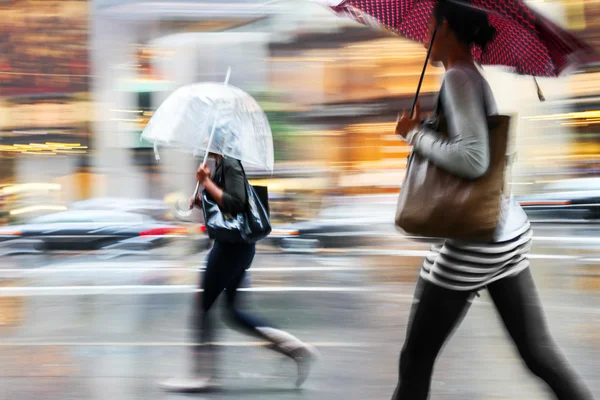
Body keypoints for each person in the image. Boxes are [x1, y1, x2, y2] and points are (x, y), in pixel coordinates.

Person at [392, 2, 594, 400]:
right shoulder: (468, 78)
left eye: (431, 24)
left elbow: (472, 159)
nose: (425, 36)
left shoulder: (459, 80)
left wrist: (415, 135)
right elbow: (471, 147)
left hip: (474, 242)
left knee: (415, 360)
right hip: (504, 234)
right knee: (537, 353)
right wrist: (427, 126)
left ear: (444, 26)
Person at [161, 154, 318, 392]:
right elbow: (225, 206)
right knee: (232, 311)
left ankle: (203, 376)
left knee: (202, 306)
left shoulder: (231, 164)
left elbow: (236, 203)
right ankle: (295, 348)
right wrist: (201, 198)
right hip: (236, 249)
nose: (204, 140)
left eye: (208, 137)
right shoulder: (223, 165)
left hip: (231, 249)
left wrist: (206, 182)